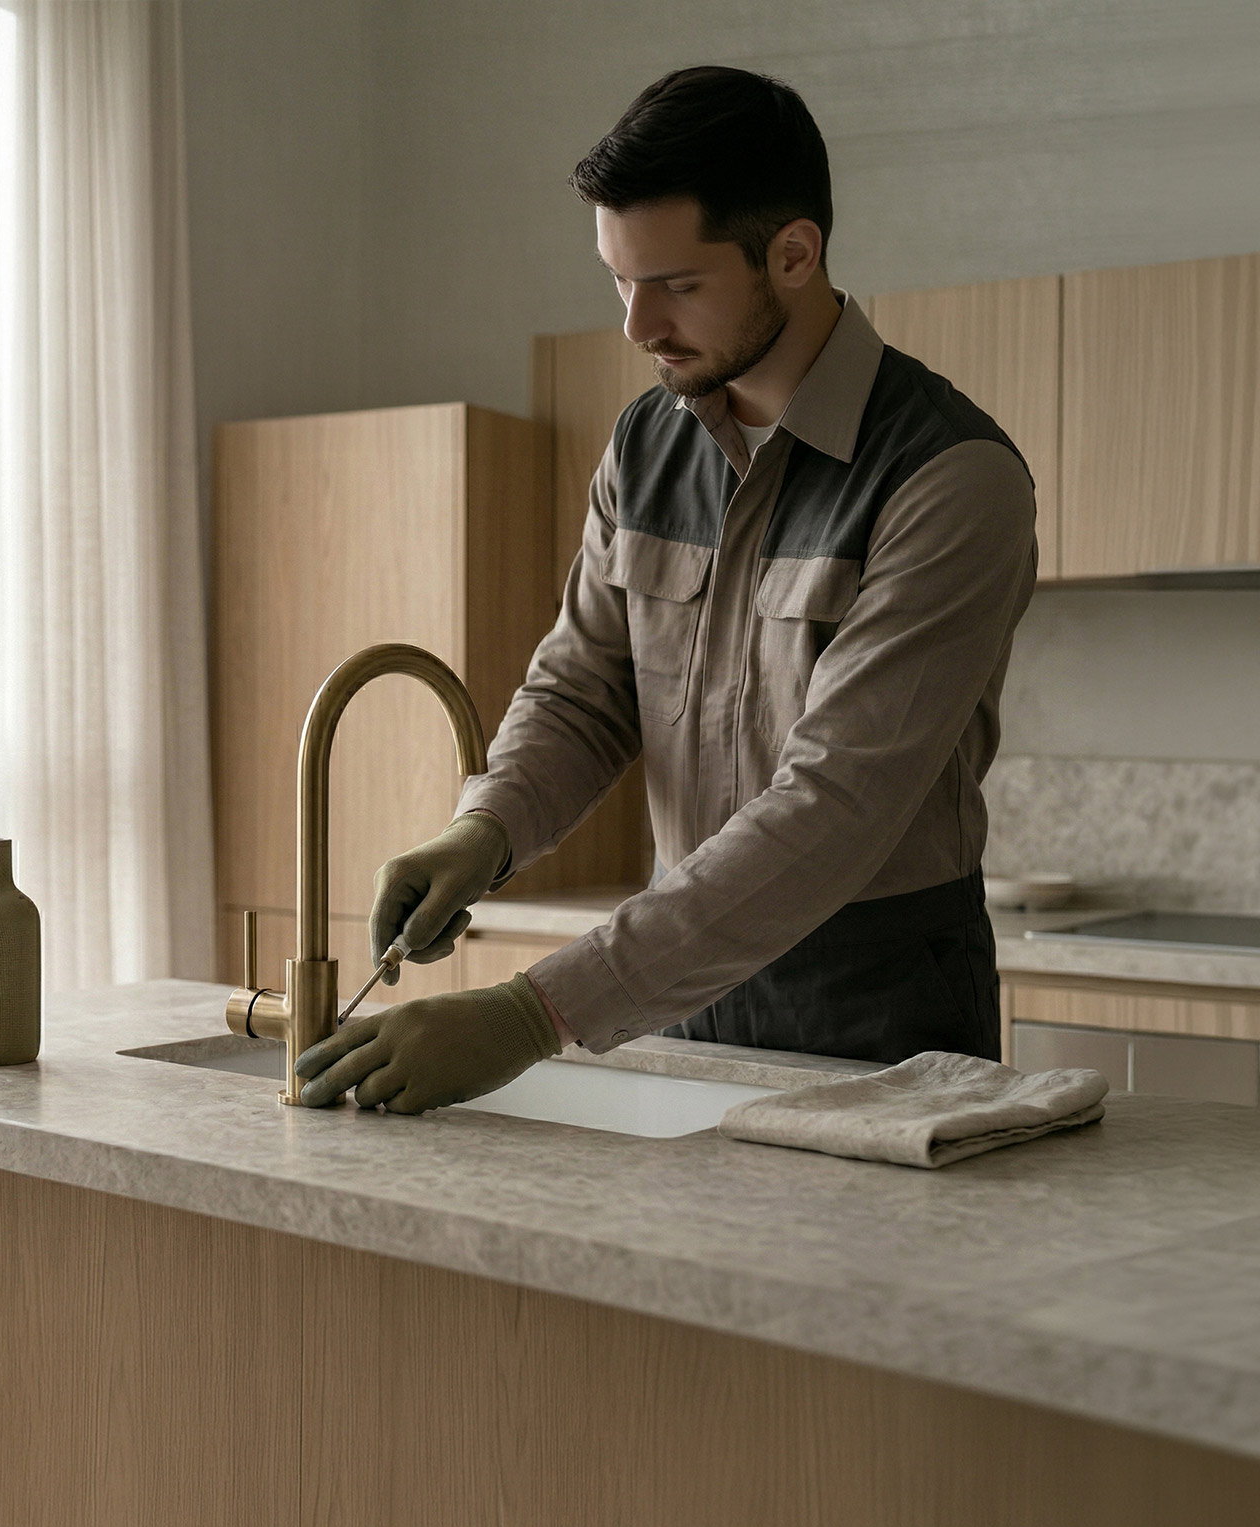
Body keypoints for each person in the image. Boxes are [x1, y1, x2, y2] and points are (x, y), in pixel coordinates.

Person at [296, 65, 1036, 1114]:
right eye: (617, 280)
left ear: (792, 253)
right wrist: (487, 827)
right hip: (677, 988)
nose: (638, 324)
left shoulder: (950, 477)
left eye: (676, 285)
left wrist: (528, 1015)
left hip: (878, 1012)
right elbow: (584, 689)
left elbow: (832, 808)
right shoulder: (646, 443)